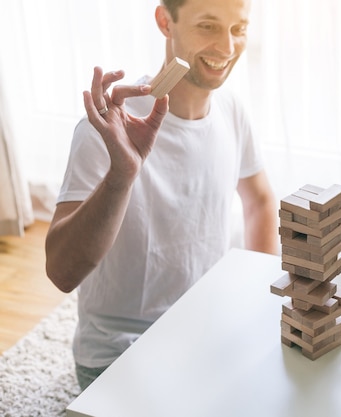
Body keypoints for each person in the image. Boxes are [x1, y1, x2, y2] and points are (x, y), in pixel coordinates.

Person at [45, 0, 278, 390]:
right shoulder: (107, 129)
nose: (227, 47)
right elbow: (61, 274)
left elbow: (260, 201)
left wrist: (259, 299)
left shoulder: (231, 110)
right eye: (207, 26)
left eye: (238, 28)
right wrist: (122, 175)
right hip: (118, 351)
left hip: (205, 333)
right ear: (164, 21)